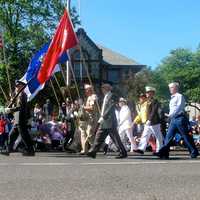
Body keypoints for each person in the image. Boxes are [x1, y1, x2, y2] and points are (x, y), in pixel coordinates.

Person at [157, 82, 199, 159]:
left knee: (185, 136)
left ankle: (194, 152)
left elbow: (179, 107)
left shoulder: (180, 96)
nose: (170, 89)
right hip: (173, 119)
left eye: (171, 87)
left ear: (176, 88)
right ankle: (164, 153)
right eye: (169, 88)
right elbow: (172, 109)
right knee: (168, 137)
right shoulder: (172, 98)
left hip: (180, 118)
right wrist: (169, 115)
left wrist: (170, 115)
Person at [87, 83, 127, 159]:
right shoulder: (105, 96)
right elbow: (103, 108)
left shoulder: (113, 96)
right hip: (104, 120)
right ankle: (93, 151)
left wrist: (104, 117)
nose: (102, 90)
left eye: (103, 89)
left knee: (115, 138)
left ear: (106, 89)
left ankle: (123, 152)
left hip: (110, 120)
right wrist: (96, 101)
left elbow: (111, 107)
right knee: (99, 135)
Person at [3, 80, 35, 156]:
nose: (17, 88)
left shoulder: (22, 95)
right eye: (16, 86)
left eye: (18, 86)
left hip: (21, 118)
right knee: (11, 135)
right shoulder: (18, 96)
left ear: (22, 87)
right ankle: (8, 150)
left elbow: (21, 107)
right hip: (17, 120)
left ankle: (30, 150)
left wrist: (11, 109)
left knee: (24, 136)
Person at [134, 86, 163, 154]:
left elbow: (153, 111)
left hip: (154, 122)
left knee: (158, 136)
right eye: (146, 92)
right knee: (145, 135)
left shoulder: (155, 101)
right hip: (148, 122)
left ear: (152, 93)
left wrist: (149, 120)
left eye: (148, 92)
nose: (146, 94)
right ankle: (141, 149)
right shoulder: (147, 101)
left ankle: (159, 150)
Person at [79, 84, 99, 154]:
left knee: (90, 134)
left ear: (90, 90)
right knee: (83, 133)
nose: (85, 91)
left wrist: (83, 107)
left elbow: (92, 108)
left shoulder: (93, 97)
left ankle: (99, 146)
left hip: (92, 118)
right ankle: (85, 150)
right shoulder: (88, 97)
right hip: (86, 118)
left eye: (86, 89)